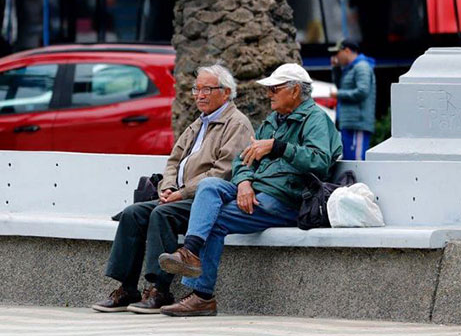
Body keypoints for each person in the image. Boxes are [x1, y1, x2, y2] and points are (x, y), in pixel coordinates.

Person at [157, 63, 342, 317]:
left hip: (286, 198)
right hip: (257, 190)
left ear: (295, 90)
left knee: (215, 220)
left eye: (274, 89)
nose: (268, 94)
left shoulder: (316, 119)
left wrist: (278, 147)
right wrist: (244, 182)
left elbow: (320, 162)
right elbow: (241, 160)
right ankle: (189, 252)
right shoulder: (273, 121)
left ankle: (202, 296)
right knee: (209, 186)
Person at [92, 63, 254, 314]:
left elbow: (223, 171)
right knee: (133, 213)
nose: (199, 95)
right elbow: (173, 161)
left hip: (205, 200)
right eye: (196, 89)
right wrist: (167, 188)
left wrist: (182, 192)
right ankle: (127, 288)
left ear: (225, 92)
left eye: (207, 89)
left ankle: (159, 290)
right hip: (179, 195)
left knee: (162, 214)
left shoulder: (237, 124)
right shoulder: (198, 123)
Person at [329, 39, 376, 160]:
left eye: (337, 53)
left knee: (357, 161)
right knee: (349, 160)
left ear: (347, 51)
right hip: (349, 122)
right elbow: (341, 86)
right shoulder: (350, 68)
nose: (336, 57)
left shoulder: (362, 67)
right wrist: (336, 68)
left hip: (358, 123)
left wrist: (338, 94)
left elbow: (362, 91)